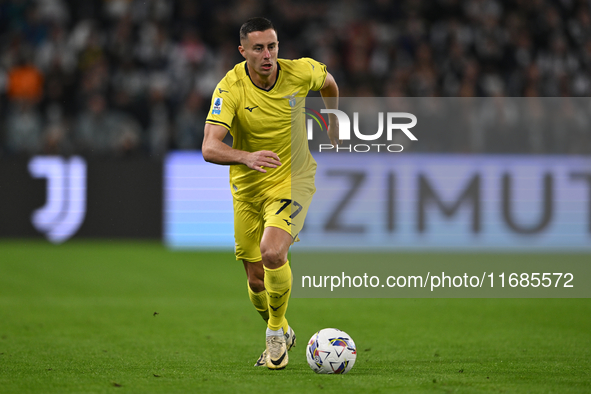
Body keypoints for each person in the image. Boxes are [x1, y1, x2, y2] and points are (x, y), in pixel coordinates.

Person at [201, 17, 339, 370]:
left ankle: (275, 335)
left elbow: (329, 83)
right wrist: (245, 156)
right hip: (247, 189)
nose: (268, 55)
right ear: (243, 50)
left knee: (272, 252)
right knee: (256, 278)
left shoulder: (300, 72)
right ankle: (284, 329)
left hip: (293, 179)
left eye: (272, 46)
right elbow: (209, 148)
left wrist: (333, 119)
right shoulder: (230, 88)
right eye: (259, 48)